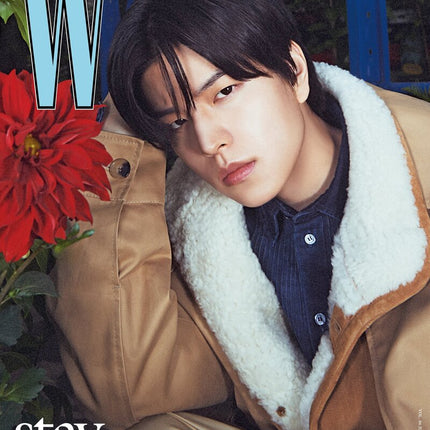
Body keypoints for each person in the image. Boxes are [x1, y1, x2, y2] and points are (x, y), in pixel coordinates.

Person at [48, 0, 430, 429]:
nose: (208, 141)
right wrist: (121, 148)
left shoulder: (416, 185)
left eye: (225, 93)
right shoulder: (202, 238)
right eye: (177, 122)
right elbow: (126, 399)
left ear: (294, 70)